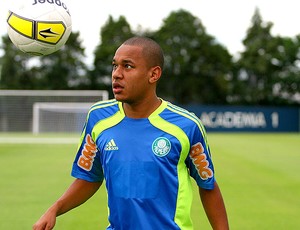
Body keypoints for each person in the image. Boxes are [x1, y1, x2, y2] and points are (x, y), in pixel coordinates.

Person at [33, 36, 229, 230]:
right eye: (114, 66)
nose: (116, 74)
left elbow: (208, 185)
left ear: (154, 74)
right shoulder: (98, 118)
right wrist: (55, 209)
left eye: (127, 66)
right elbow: (89, 177)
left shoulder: (186, 126)